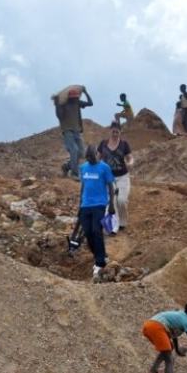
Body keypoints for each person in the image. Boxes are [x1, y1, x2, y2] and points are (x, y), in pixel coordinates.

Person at [78, 145, 115, 279]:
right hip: (85, 205)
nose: (90, 159)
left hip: (99, 204)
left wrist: (111, 204)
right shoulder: (83, 167)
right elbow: (83, 186)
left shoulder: (104, 167)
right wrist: (79, 205)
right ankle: (101, 255)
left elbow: (110, 185)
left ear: (96, 155)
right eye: (87, 157)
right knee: (87, 233)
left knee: (96, 231)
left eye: (92, 157)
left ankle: (99, 262)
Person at [97, 121, 134, 234]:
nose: (115, 134)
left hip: (123, 176)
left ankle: (122, 222)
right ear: (110, 131)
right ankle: (113, 227)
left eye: (117, 132)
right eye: (113, 131)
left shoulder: (124, 144)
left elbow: (130, 158)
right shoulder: (103, 144)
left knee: (121, 200)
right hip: (109, 178)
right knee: (111, 202)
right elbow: (98, 158)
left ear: (120, 132)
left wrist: (130, 163)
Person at [54, 86, 93, 181]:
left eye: (77, 98)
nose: (76, 99)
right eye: (74, 98)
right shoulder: (64, 105)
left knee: (81, 152)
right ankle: (74, 174)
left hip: (76, 130)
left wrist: (86, 92)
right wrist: (57, 104)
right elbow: (59, 116)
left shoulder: (77, 103)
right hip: (67, 131)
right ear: (70, 98)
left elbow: (90, 103)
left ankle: (66, 167)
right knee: (74, 151)